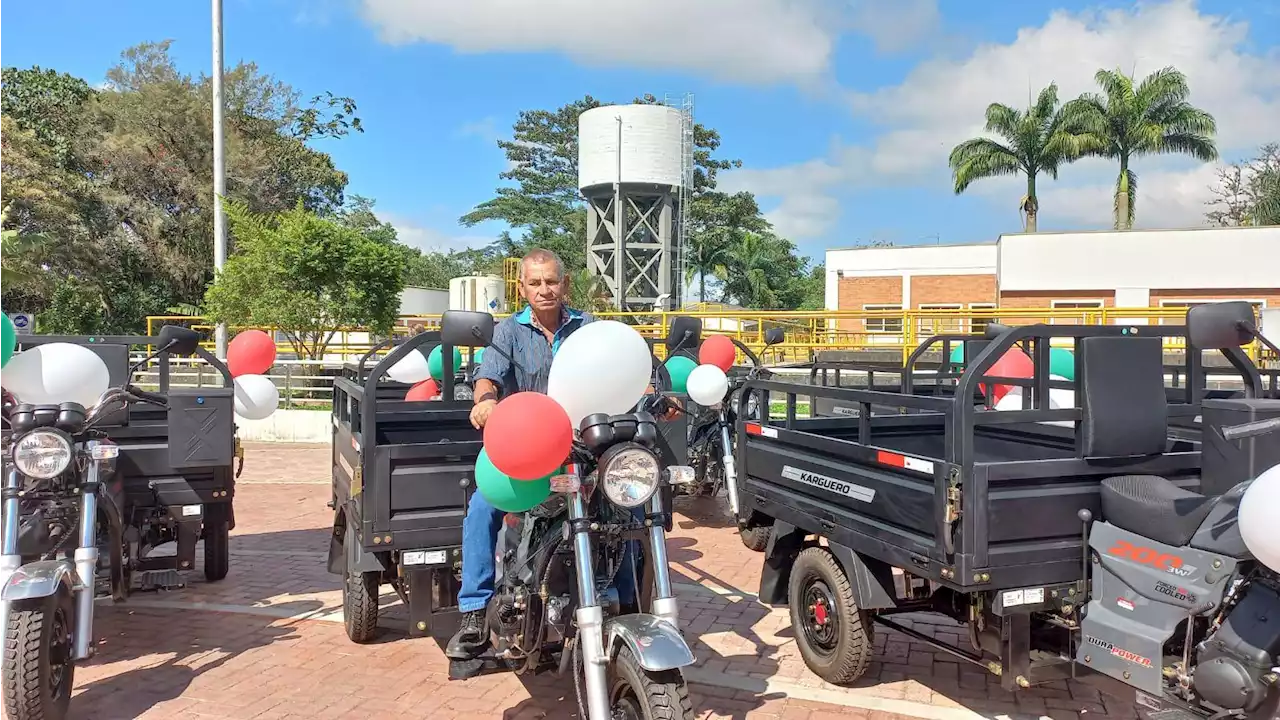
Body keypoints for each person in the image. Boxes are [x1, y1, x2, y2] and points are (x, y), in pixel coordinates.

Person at [447, 248, 671, 661]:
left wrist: (657, 392)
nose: (545, 290)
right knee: (482, 507)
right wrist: (486, 402)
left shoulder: (591, 327)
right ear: (522, 288)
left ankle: (628, 600)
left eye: (552, 281)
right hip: (527, 446)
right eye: (535, 283)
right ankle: (474, 611)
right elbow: (487, 378)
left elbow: (633, 365)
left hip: (586, 448)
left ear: (565, 284)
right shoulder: (507, 333)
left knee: (631, 509)